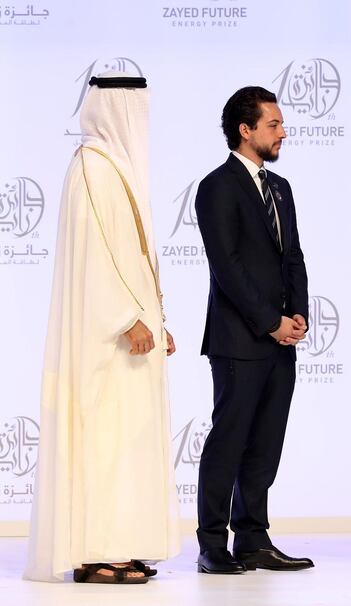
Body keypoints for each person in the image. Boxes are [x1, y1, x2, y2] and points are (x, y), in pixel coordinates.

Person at [25, 72, 180, 584]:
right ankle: (96, 551)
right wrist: (127, 317)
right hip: (107, 338)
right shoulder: (91, 166)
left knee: (131, 441)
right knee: (105, 440)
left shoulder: (117, 168)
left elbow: (132, 256)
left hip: (134, 335)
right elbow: (93, 258)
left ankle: (125, 542)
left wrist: (158, 319)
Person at [194, 86, 312, 574]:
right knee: (231, 439)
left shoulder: (280, 187)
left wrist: (298, 315)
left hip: (281, 339)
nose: (283, 132)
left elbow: (294, 257)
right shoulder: (217, 186)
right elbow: (228, 267)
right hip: (240, 339)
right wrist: (270, 322)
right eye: (273, 125)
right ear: (246, 130)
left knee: (266, 442)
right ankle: (212, 545)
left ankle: (253, 539)